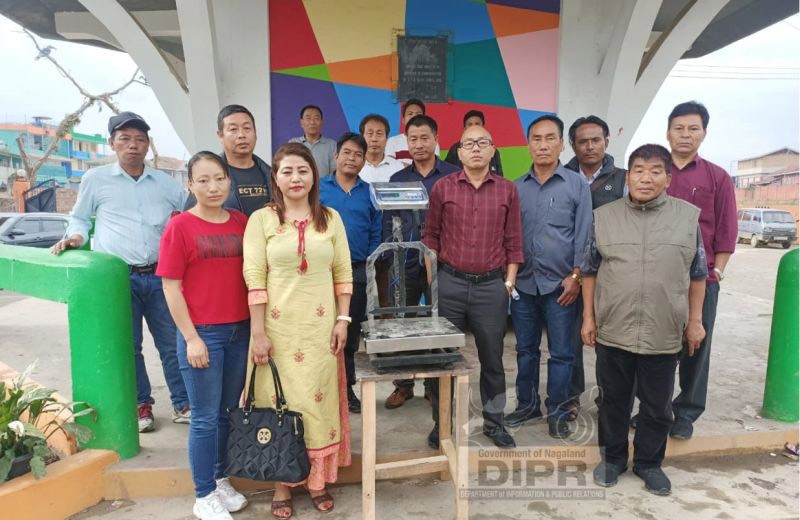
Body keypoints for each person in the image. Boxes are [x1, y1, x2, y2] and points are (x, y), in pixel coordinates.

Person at [51, 111, 189, 433]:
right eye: (125, 139)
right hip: (118, 278)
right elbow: (81, 219)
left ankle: (183, 403)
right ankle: (142, 406)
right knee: (130, 346)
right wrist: (76, 238)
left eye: (140, 140)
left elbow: (187, 214)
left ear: (147, 145)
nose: (133, 146)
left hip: (161, 276)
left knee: (172, 343)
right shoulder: (95, 180)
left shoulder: (166, 183)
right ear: (112, 143)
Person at [582, 143, 707, 496]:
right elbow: (589, 270)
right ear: (628, 176)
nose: (646, 178)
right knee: (613, 401)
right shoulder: (605, 217)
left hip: (663, 330)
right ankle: (612, 460)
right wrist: (588, 318)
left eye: (655, 171)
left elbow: (699, 274)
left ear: (668, 178)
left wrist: (695, 321)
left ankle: (649, 464)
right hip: (614, 328)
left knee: (657, 406)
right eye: (638, 170)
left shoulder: (686, 218)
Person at [243, 143, 352, 518]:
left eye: (302, 170)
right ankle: (281, 484)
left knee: (317, 405)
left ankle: (317, 481)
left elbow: (343, 273)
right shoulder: (262, 220)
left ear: (313, 176)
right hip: (278, 331)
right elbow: (254, 276)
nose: (295, 178)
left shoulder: (331, 219)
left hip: (321, 331)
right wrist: (258, 332)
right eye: (287, 171)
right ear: (275, 177)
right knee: (279, 407)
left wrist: (343, 320)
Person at [158, 152, 250, 520]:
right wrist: (191, 338)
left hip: (239, 331)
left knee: (228, 412)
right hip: (203, 336)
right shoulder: (180, 226)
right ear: (190, 185)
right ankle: (202, 494)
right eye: (204, 180)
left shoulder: (241, 222)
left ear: (229, 180)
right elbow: (170, 288)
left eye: (219, 178)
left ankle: (219, 478)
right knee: (205, 417)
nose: (213, 187)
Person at [422, 124, 523, 449]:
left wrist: (508, 283)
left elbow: (514, 241)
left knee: (493, 360)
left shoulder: (508, 190)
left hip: (491, 288)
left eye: (483, 143)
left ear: (493, 150)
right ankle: (443, 424)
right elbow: (431, 237)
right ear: (460, 152)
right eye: (469, 144)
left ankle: (495, 423)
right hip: (449, 283)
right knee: (443, 360)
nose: (476, 148)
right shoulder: (442, 188)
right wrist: (434, 283)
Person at [506, 115, 592, 439]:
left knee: (562, 353)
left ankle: (558, 410)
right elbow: (510, 237)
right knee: (525, 350)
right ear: (528, 144)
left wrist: (576, 277)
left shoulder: (576, 185)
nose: (543, 145)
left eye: (549, 138)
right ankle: (526, 404)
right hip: (525, 285)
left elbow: (585, 235)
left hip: (562, 287)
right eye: (536, 139)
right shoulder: (516, 188)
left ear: (561, 144)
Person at [661, 101, 737, 440]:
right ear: (668, 131)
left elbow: (726, 230)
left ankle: (686, 412)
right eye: (679, 128)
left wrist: (717, 273)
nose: (685, 135)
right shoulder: (654, 171)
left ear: (704, 133)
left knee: (695, 345)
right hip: (657, 278)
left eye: (693, 128)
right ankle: (657, 409)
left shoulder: (716, 177)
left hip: (701, 279)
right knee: (657, 346)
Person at [383, 115, 459, 410]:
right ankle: (404, 385)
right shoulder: (398, 179)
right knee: (404, 322)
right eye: (412, 139)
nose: (418, 144)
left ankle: (433, 384)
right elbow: (388, 221)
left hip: (445, 263)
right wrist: (391, 259)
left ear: (436, 137)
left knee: (438, 323)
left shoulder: (452, 175)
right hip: (406, 263)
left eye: (424, 138)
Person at [563, 115, 627, 420]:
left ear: (606, 140)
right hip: (571, 274)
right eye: (582, 141)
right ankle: (571, 397)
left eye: (595, 140)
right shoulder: (561, 177)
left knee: (610, 342)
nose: (589, 147)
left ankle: (609, 398)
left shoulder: (624, 180)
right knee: (570, 339)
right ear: (572, 145)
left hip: (612, 275)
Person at [319, 132, 382, 414]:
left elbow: (376, 231)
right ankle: (321, 390)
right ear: (336, 156)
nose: (352, 158)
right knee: (319, 332)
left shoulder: (369, 191)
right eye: (347, 152)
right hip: (320, 273)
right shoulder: (319, 189)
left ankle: (347, 391)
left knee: (349, 333)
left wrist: (368, 259)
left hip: (356, 272)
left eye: (358, 154)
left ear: (364, 160)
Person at [185, 105, 272, 216]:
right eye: (233, 129)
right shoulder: (206, 176)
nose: (241, 135)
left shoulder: (272, 174)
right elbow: (190, 218)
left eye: (247, 128)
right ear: (220, 136)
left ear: (255, 132)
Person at [444, 110, 503, 176]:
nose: (474, 126)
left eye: (477, 124)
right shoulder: (455, 149)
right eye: (470, 124)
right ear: (464, 129)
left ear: (483, 127)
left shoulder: (492, 150)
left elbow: (500, 178)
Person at [385, 99, 440, 165]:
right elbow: (389, 165)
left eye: (418, 114)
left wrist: (401, 166)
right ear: (403, 120)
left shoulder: (432, 141)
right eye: (410, 114)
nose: (414, 116)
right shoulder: (392, 141)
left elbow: (433, 166)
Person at [289, 105, 337, 177]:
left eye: (316, 118)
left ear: (322, 122)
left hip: (323, 187)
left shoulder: (332, 145)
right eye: (308, 118)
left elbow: (334, 172)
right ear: (301, 122)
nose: (312, 122)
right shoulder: (293, 144)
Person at [358, 113, 404, 184]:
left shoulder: (398, 168)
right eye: (370, 134)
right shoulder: (354, 166)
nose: (374, 139)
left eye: (379, 134)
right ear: (362, 137)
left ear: (387, 138)